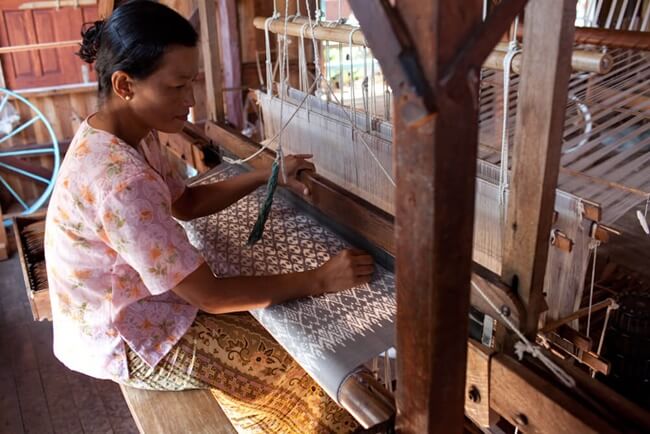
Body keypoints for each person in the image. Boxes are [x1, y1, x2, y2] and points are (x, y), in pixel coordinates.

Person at [43, 1, 374, 432]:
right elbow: (211, 297)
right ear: (125, 84)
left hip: (131, 306)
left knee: (289, 331)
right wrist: (320, 279)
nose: (191, 100)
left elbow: (187, 203)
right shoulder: (120, 181)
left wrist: (267, 174)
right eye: (177, 87)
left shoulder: (124, 134)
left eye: (193, 83)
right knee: (309, 378)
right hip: (121, 339)